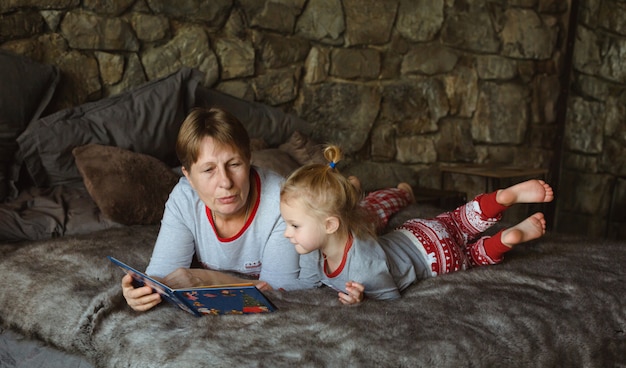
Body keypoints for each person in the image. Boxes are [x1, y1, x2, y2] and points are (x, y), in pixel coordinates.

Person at [280, 145, 554, 305]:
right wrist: (276, 290)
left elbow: (391, 298)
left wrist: (362, 301)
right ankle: (500, 199)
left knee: (470, 256)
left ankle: (502, 241)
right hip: (416, 231)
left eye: (294, 225)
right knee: (458, 220)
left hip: (435, 257)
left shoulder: (364, 269)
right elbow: (307, 282)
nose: (286, 233)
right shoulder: (318, 248)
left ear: (329, 225)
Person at [122, 107, 316, 312]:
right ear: (188, 176)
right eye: (208, 170)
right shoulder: (184, 198)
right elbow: (163, 276)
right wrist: (141, 290)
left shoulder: (282, 203)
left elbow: (277, 294)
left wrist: (208, 279)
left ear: (249, 160)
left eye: (234, 164)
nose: (225, 182)